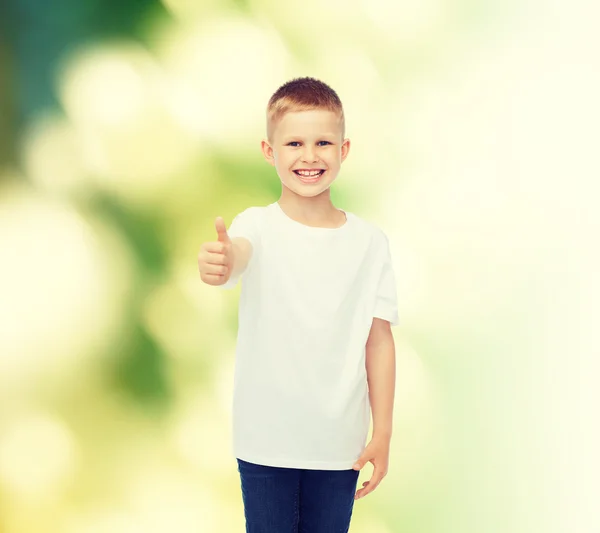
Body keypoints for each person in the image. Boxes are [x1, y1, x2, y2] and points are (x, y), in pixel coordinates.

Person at [198, 76, 399, 532]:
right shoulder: (257, 226)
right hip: (265, 441)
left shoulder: (370, 243)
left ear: (344, 150)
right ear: (270, 152)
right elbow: (237, 255)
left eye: (323, 142)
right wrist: (222, 261)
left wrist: (382, 432)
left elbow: (379, 341)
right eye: (294, 143)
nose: (309, 156)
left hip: (339, 445)